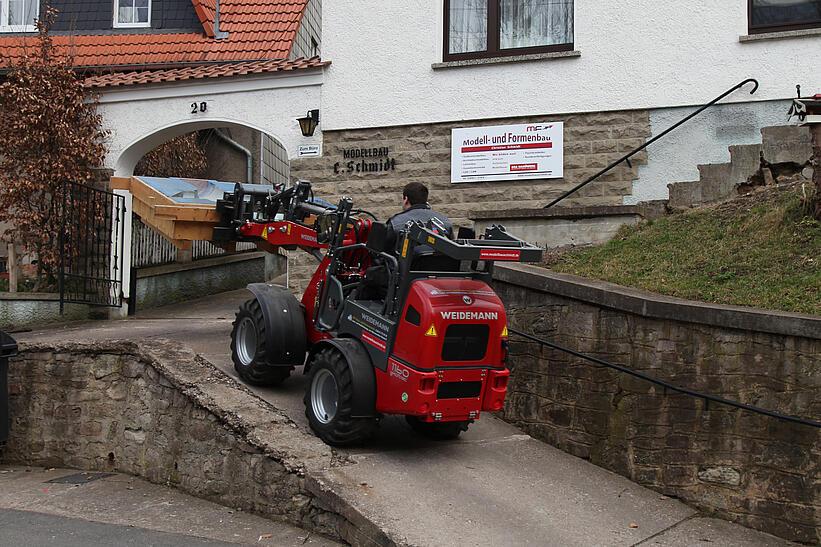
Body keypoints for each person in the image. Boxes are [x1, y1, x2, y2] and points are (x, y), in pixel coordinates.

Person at [384, 182, 453, 253]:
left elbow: (383, 250)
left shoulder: (395, 223)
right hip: (441, 264)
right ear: (425, 200)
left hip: (406, 264)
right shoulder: (445, 222)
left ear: (406, 199)